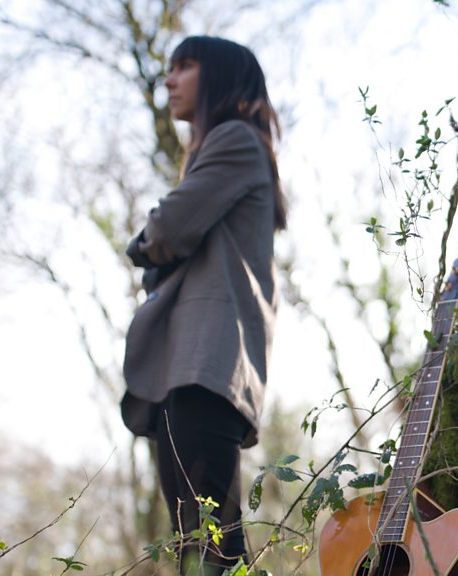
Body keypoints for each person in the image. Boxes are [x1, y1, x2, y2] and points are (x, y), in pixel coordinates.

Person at [120, 35, 285, 575]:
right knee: (197, 542)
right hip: (189, 365)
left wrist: (142, 244)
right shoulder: (225, 148)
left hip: (208, 363)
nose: (169, 79)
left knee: (213, 543)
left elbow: (169, 227)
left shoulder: (234, 139)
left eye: (185, 66)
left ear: (220, 78)